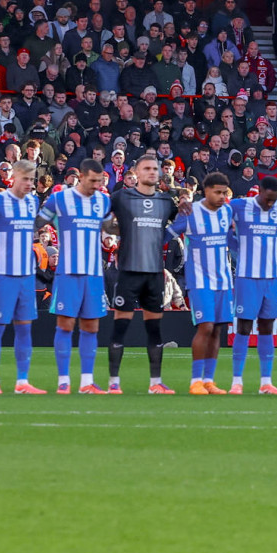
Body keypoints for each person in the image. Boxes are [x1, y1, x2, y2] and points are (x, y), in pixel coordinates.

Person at [105, 155, 178, 394]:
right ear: (136, 172)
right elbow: (103, 221)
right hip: (128, 272)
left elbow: (180, 221)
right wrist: (115, 230)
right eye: (147, 168)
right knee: (120, 328)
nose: (152, 172)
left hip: (155, 274)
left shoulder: (167, 201)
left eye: (155, 169)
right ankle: (114, 383)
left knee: (154, 330)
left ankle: (155, 383)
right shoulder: (120, 197)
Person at [43, 160, 112, 393]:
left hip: (93, 273)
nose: (96, 185)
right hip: (68, 272)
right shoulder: (60, 198)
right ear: (80, 177)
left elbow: (110, 227)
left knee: (91, 326)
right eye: (92, 180)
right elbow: (37, 222)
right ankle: (63, 380)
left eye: (99, 181)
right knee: (65, 325)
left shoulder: (103, 200)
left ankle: (86, 381)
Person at [228, 176, 277, 394]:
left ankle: (266, 382)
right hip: (247, 276)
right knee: (244, 327)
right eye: (267, 199)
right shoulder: (239, 205)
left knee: (267, 326)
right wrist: (234, 243)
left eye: (274, 200)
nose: (270, 204)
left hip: (272, 277)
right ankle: (237, 382)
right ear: (260, 192)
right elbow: (215, 214)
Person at [171, 174, 236, 395]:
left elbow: (230, 239)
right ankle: (195, 381)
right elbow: (167, 234)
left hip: (224, 280)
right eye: (217, 192)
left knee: (218, 329)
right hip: (199, 280)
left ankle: (209, 380)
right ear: (205, 190)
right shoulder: (190, 213)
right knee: (206, 326)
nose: (221, 197)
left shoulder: (227, 212)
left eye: (224, 193)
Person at [0, 161, 44, 394]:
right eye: (25, 179)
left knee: (24, 328)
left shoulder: (32, 201)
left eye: (32, 180)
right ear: (14, 177)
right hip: (3, 275)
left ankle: (22, 382)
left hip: (26, 275)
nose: (29, 184)